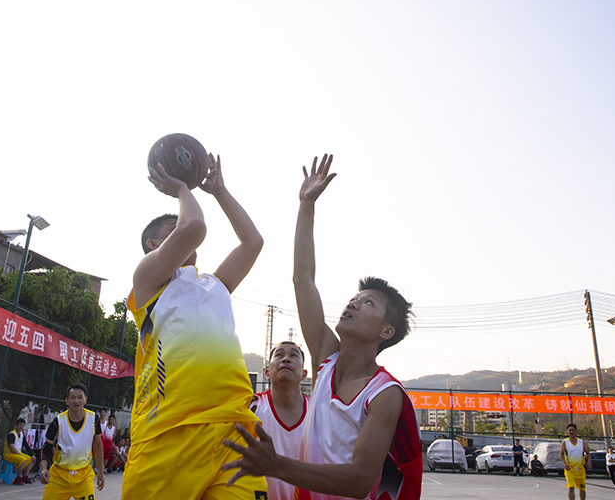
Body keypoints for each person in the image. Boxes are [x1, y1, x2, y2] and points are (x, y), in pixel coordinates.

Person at [222, 154, 423, 500]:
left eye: (368, 303)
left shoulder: (384, 394)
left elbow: (360, 481)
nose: (353, 303)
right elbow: (303, 278)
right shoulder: (325, 359)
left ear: (386, 331)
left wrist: (276, 465)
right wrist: (306, 205)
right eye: (355, 298)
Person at [121, 153, 267, 500]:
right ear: (153, 245)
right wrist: (181, 189)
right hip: (169, 433)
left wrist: (220, 191)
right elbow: (194, 228)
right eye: (172, 227)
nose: (183, 225)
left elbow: (253, 242)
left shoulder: (214, 285)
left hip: (233, 431)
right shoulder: (148, 281)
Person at [249, 341, 309, 500]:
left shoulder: (317, 413)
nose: (286, 359)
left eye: (293, 355)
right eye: (279, 355)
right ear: (267, 373)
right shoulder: (251, 408)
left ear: (304, 374)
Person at [38, 383, 104, 500]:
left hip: (83, 476)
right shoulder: (58, 422)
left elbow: (98, 444)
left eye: (80, 397)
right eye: (73, 397)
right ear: (67, 401)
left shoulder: (94, 419)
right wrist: (43, 469)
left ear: (85, 400)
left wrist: (101, 471)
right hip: (59, 476)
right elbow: (46, 449)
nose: (76, 401)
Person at [559, 423, 590, 500]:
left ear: (576, 432)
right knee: (571, 487)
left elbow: (587, 452)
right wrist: (564, 463)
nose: (571, 432)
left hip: (580, 469)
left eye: (573, 430)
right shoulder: (565, 442)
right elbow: (561, 453)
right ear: (567, 432)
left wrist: (589, 461)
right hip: (570, 469)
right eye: (570, 430)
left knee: (582, 489)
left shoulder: (581, 442)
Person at [3, 418, 35, 485]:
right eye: (19, 425)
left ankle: (25, 476)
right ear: (16, 425)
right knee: (23, 460)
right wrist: (20, 454)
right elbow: (12, 448)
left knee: (32, 459)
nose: (21, 427)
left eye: (22, 425)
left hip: (17, 453)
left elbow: (26, 445)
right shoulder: (11, 435)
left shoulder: (22, 434)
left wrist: (32, 454)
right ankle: (18, 478)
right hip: (9, 454)